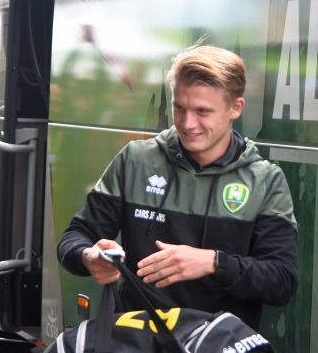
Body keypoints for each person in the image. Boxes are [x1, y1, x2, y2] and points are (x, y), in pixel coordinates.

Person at [57, 44, 299, 330]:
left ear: (236, 108)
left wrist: (213, 263)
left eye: (203, 111)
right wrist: (89, 256)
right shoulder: (136, 160)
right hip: (136, 343)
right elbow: (75, 237)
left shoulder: (265, 181)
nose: (187, 123)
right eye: (179, 107)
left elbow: (282, 281)